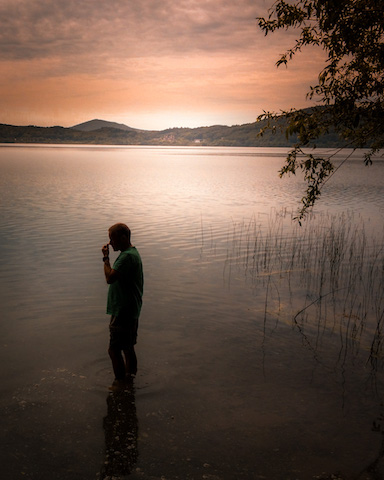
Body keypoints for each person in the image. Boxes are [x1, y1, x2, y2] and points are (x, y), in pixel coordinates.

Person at [102, 223, 144, 391]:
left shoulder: (127, 257)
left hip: (123, 310)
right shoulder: (132, 253)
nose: (110, 243)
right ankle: (130, 381)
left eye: (112, 239)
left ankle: (120, 384)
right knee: (127, 348)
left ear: (123, 238)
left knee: (113, 350)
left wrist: (106, 259)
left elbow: (110, 278)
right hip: (130, 309)